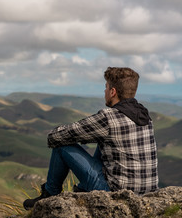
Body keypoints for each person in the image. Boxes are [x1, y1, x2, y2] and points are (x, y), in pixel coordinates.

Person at [23, 67, 158, 210]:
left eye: (106, 87)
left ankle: (49, 195)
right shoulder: (145, 116)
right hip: (147, 195)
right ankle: (82, 189)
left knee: (61, 146)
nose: (104, 91)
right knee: (103, 142)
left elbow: (55, 137)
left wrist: (57, 132)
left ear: (113, 92)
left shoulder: (109, 118)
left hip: (117, 194)